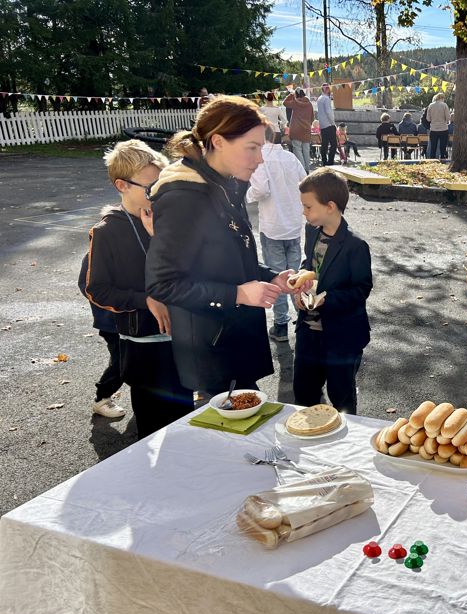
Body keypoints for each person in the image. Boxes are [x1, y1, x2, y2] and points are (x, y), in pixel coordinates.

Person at [146, 95, 295, 400]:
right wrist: (237, 294)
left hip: (234, 340)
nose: (260, 159)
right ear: (218, 141)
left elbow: (230, 255)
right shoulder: (183, 197)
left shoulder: (223, 184)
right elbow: (163, 284)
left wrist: (271, 277)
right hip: (212, 352)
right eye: (252, 148)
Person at [83, 140, 194, 437]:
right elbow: (96, 289)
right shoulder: (107, 232)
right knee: (153, 431)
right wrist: (146, 300)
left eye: (162, 186)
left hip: (182, 339)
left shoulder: (167, 222)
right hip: (142, 346)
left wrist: (160, 239)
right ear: (122, 185)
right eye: (150, 188)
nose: (158, 194)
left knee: (186, 425)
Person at [292, 169, 372, 414]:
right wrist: (300, 285)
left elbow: (362, 289)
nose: (304, 212)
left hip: (342, 336)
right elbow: (310, 264)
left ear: (330, 206)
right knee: (304, 395)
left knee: (342, 398)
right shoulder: (312, 231)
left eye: (308, 207)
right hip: (308, 333)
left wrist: (326, 299)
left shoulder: (356, 245)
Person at [247, 125, 307, 342]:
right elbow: (305, 183)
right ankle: (303, 318)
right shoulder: (291, 157)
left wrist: (247, 196)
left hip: (273, 224)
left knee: (277, 276)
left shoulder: (261, 158)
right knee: (295, 276)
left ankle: (281, 324)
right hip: (292, 223)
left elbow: (261, 189)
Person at [78, 247, 126, 420]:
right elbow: (88, 287)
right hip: (112, 322)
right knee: (121, 361)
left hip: (134, 319)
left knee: (140, 359)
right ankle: (102, 397)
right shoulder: (97, 251)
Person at [283, 87, 314, 172]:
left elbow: (284, 103)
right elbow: (312, 117)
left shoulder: (295, 103)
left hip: (296, 131)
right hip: (306, 130)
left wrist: (291, 95)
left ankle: (302, 169)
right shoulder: (309, 104)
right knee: (306, 150)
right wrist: (308, 124)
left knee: (297, 150)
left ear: (296, 94)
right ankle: (307, 169)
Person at [317, 84, 337, 166]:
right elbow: (328, 112)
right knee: (333, 144)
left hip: (322, 124)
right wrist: (333, 123)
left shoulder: (319, 98)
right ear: (327, 89)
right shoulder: (326, 99)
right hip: (329, 124)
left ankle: (324, 161)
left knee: (324, 144)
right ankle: (330, 161)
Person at [426, 93, 451, 160]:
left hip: (433, 129)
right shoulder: (444, 105)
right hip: (443, 129)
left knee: (433, 147)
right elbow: (448, 118)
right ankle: (442, 159)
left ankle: (432, 160)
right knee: (443, 147)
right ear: (442, 98)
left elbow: (428, 119)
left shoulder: (431, 105)